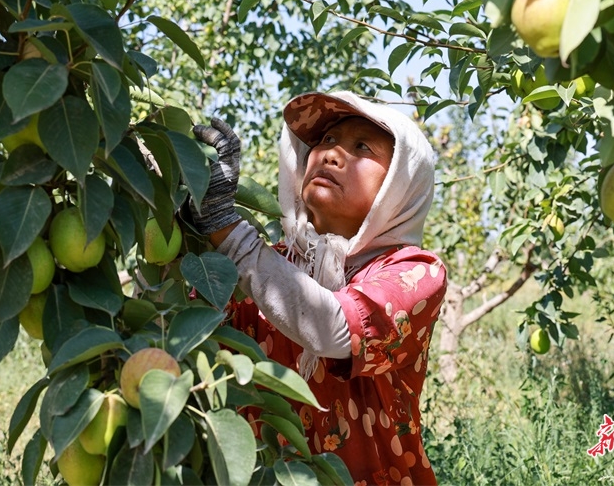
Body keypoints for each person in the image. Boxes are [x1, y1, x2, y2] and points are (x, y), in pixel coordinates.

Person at [191, 91, 447, 486]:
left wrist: (226, 228)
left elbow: (333, 329)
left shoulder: (413, 272)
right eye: (326, 141)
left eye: (362, 147)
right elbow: (188, 322)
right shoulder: (265, 265)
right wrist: (180, 207)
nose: (331, 155)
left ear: (400, 187)